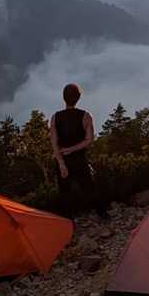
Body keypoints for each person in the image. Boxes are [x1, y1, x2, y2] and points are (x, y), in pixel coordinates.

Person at [50, 83, 107, 220]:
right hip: (80, 160)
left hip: (62, 160)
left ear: (63, 97)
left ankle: (67, 224)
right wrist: (72, 149)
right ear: (78, 98)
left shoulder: (55, 117)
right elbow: (89, 140)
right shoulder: (86, 116)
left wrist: (61, 163)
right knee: (90, 189)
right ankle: (103, 215)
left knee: (65, 194)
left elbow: (54, 143)